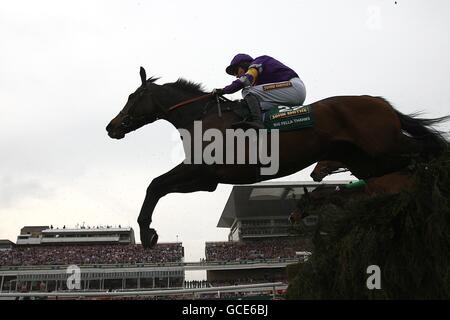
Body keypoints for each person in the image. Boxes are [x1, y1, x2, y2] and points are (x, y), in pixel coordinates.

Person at [213, 53, 306, 129]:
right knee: (257, 105)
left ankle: (257, 122)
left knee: (246, 91)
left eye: (236, 71)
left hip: (293, 87)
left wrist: (223, 90)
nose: (236, 76)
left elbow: (245, 80)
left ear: (243, 64)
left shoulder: (259, 61)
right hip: (287, 95)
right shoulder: (258, 83)